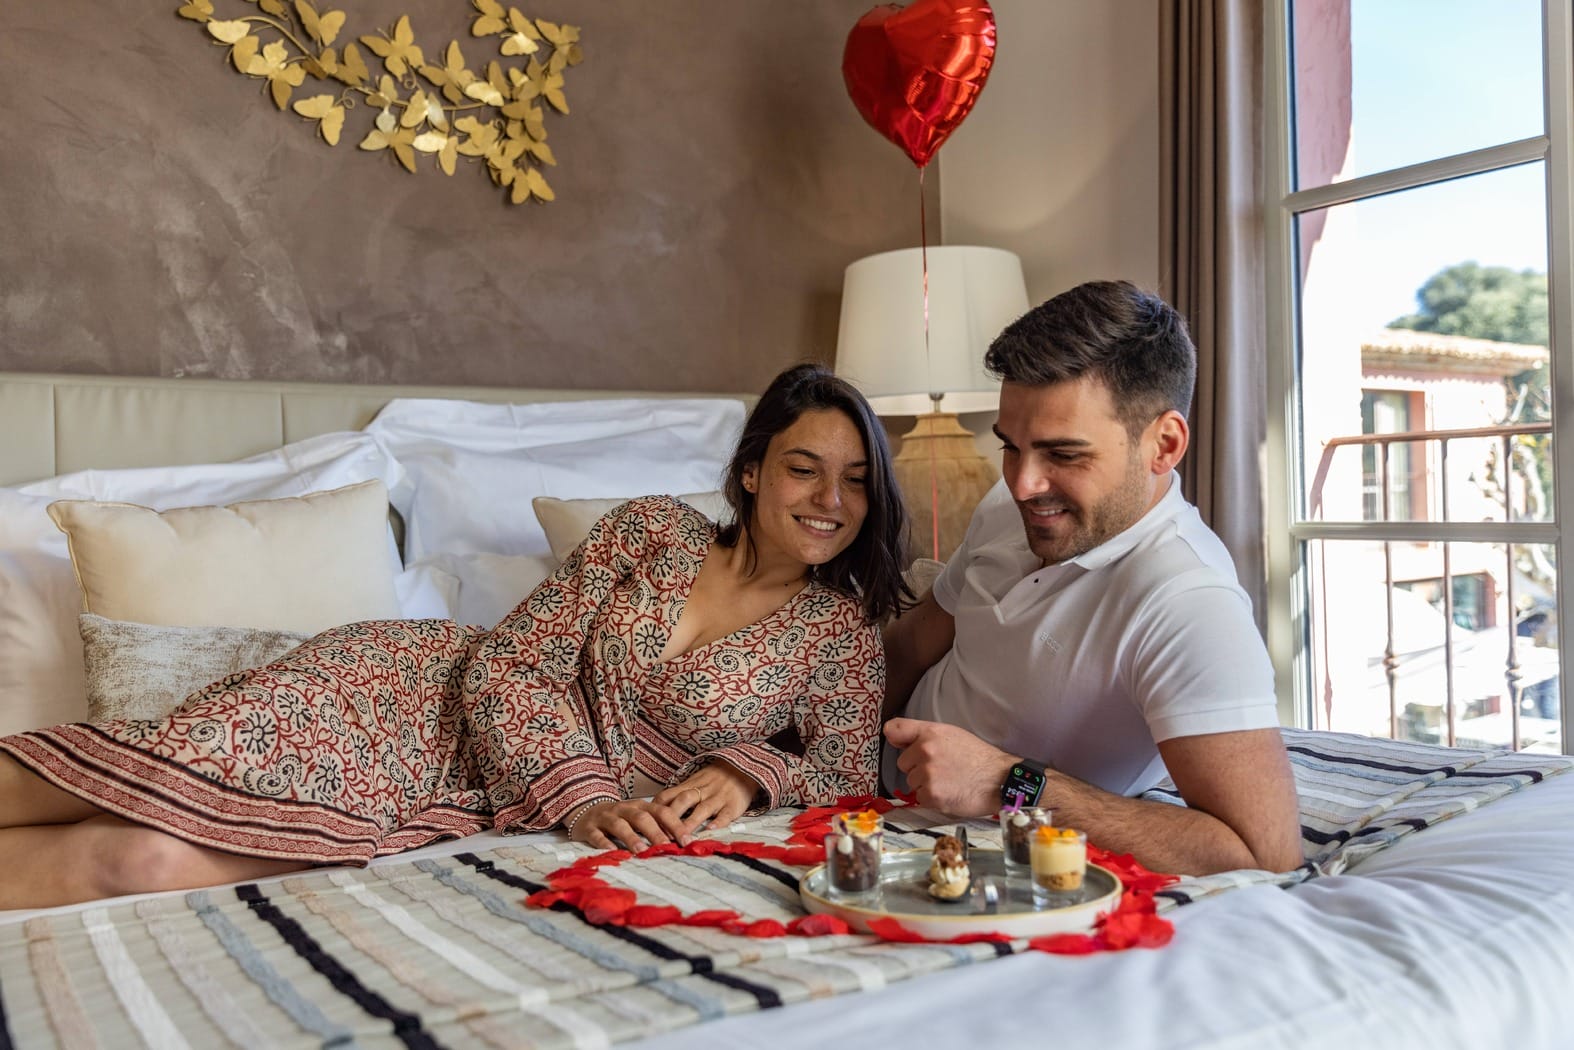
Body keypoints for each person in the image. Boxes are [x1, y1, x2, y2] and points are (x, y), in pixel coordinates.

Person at [0, 363, 911, 909]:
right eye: (804, 469)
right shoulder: (651, 533)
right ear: (751, 472)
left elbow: (845, 776)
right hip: (408, 694)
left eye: (856, 481)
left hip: (473, 803)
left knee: (140, 857)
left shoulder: (838, 635)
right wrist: (585, 794)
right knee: (147, 769)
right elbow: (512, 668)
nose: (831, 502)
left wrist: (752, 769)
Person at [882, 281, 1302, 877]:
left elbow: (1265, 854)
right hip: (855, 782)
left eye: (1063, 454)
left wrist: (1007, 783)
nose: (1023, 483)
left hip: (952, 845)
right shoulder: (1011, 507)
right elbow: (915, 642)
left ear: (1165, 443)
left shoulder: (1188, 602)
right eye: (1011, 447)